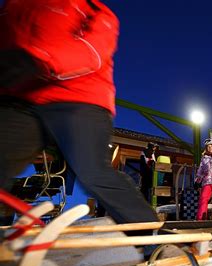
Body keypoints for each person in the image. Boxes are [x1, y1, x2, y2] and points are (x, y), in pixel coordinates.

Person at [0, 0, 158, 225]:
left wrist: (37, 59)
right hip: (23, 99)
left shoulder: (90, 9)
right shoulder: (14, 7)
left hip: (79, 97)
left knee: (92, 170)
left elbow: (92, 51)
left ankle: (149, 234)